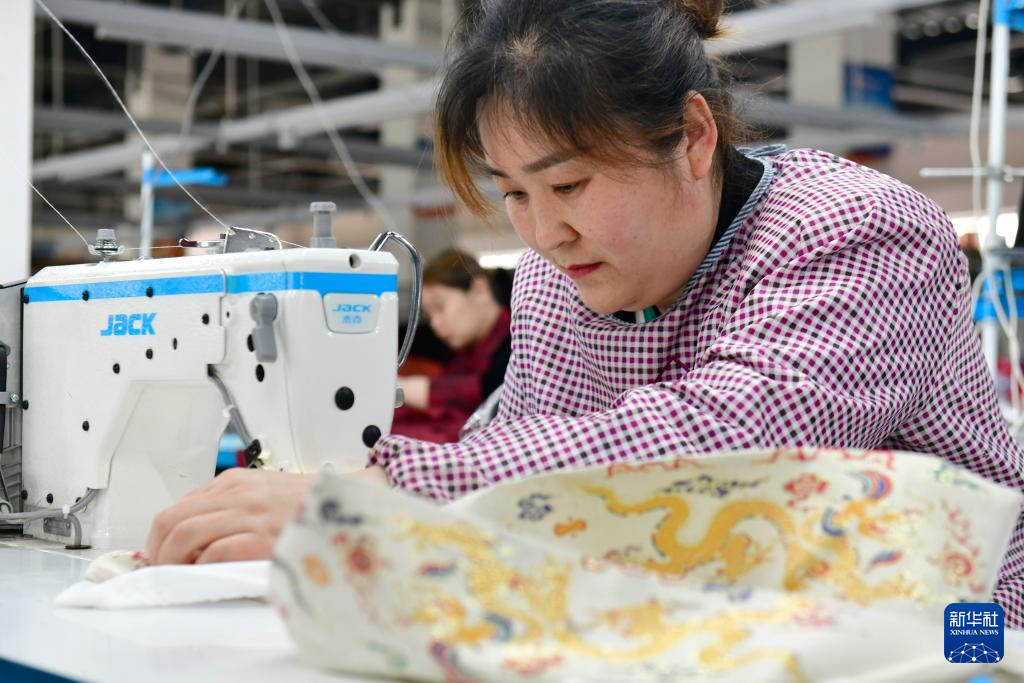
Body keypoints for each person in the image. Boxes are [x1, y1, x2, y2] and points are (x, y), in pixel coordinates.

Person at [146, 0, 1024, 626]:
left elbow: (731, 445)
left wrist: (376, 495)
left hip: (958, 616)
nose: (544, 232)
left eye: (568, 184)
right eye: (514, 193)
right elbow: (528, 471)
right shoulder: (553, 280)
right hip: (737, 615)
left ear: (693, 137)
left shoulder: (859, 231)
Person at [391, 248, 512, 443]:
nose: (435, 324)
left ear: (479, 289)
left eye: (440, 307)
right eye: (430, 315)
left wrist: (395, 386)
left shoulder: (519, 341)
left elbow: (487, 390)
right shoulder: (465, 355)